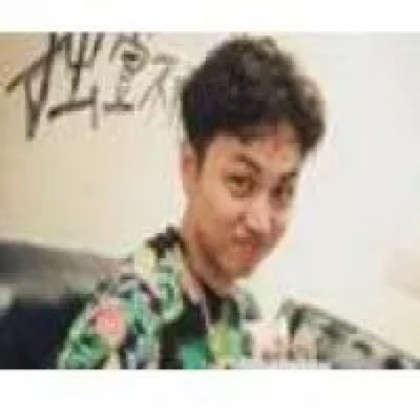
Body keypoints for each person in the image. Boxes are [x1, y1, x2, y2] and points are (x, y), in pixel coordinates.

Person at [57, 35, 326, 369]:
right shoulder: (132, 313)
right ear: (190, 169)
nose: (261, 222)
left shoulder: (237, 306)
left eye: (282, 192)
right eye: (240, 182)